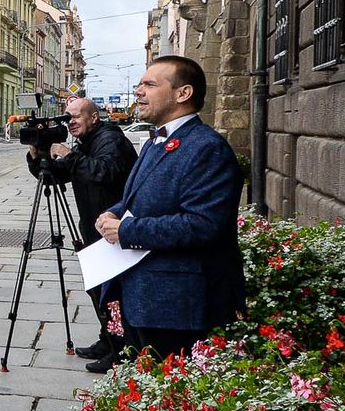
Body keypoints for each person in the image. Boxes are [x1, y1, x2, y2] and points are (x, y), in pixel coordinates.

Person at [96, 56, 245, 358]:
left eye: (150, 84)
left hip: (178, 306)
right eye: (139, 84)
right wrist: (115, 210)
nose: (138, 91)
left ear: (183, 93)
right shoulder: (158, 141)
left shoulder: (206, 147)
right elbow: (141, 194)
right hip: (147, 297)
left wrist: (126, 230)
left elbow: (203, 224)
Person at [28, 96, 137, 372]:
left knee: (112, 292)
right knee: (97, 288)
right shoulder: (86, 143)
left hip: (113, 230)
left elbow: (105, 172)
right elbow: (58, 174)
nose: (71, 122)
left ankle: (121, 349)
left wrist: (69, 154)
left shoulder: (110, 140)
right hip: (92, 227)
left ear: (94, 118)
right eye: (68, 117)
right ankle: (108, 339)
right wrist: (37, 156)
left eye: (76, 117)